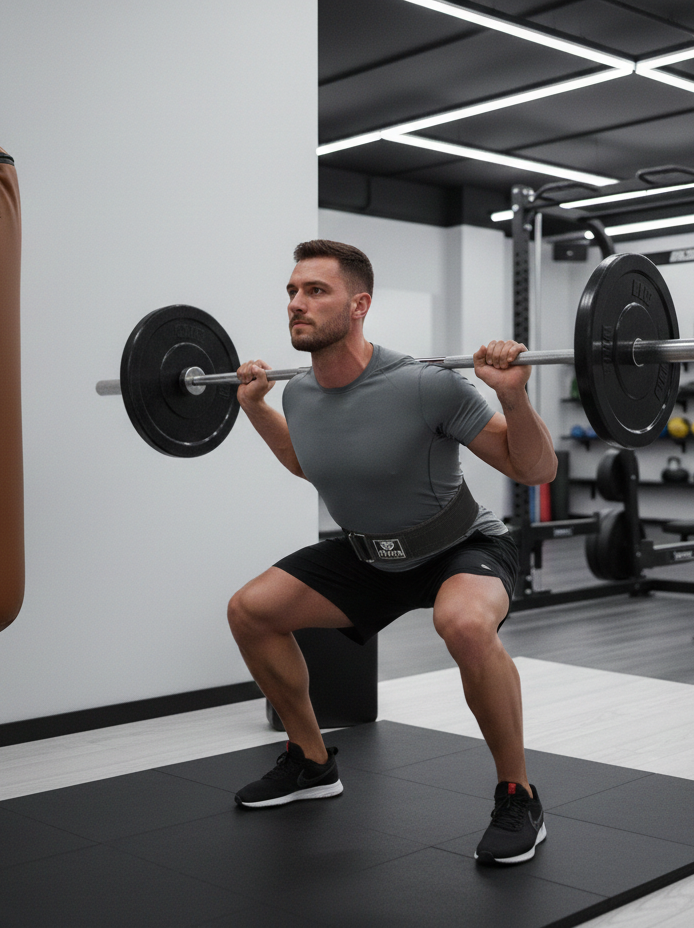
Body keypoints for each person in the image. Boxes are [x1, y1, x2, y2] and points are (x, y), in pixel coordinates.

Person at [227, 239, 557, 865]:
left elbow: (533, 469)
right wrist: (256, 409)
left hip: (460, 546)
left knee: (461, 623)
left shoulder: (425, 385)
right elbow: (311, 462)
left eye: (315, 291)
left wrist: (512, 395)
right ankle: (311, 761)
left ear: (360, 305)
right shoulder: (298, 395)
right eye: (292, 292)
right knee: (251, 611)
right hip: (370, 556)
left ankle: (519, 795)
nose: (296, 304)